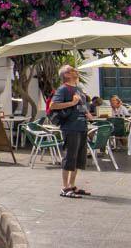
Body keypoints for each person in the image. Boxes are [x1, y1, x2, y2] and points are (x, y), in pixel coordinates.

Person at [50, 65, 93, 199]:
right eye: (72, 70)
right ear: (67, 75)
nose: (76, 71)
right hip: (70, 127)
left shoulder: (78, 88)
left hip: (82, 126)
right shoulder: (63, 89)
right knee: (69, 157)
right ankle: (65, 187)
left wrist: (87, 113)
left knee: (79, 158)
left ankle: (72, 185)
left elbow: (81, 105)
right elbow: (53, 105)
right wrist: (71, 103)